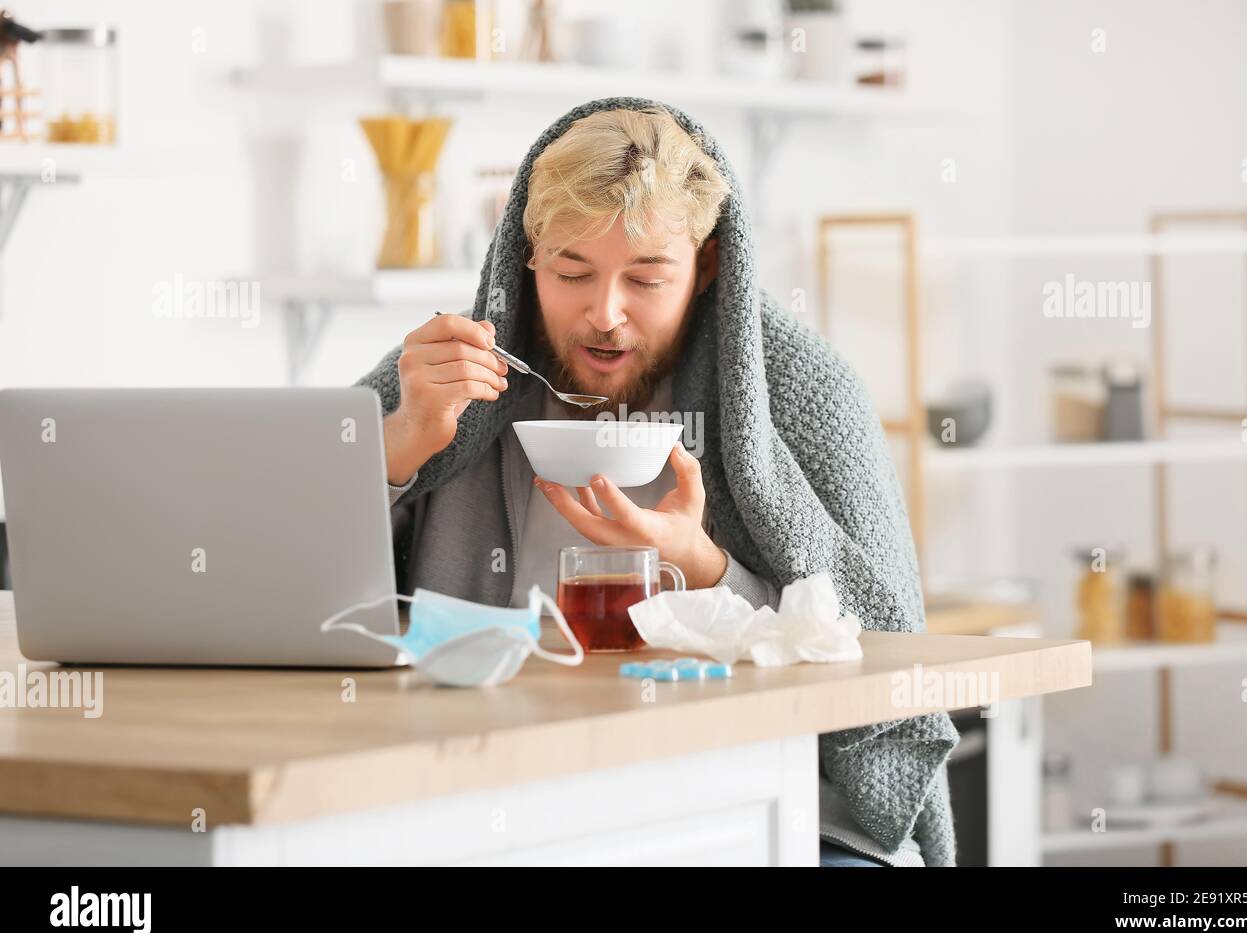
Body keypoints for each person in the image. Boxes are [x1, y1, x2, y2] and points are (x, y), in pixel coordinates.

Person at [356, 98, 959, 867]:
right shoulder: (445, 378)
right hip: (494, 790)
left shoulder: (807, 396)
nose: (605, 314)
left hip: (755, 797)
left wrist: (704, 567)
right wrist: (400, 445)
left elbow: (879, 652)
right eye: (573, 271)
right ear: (528, 254)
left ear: (706, 268)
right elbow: (301, 585)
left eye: (646, 279)